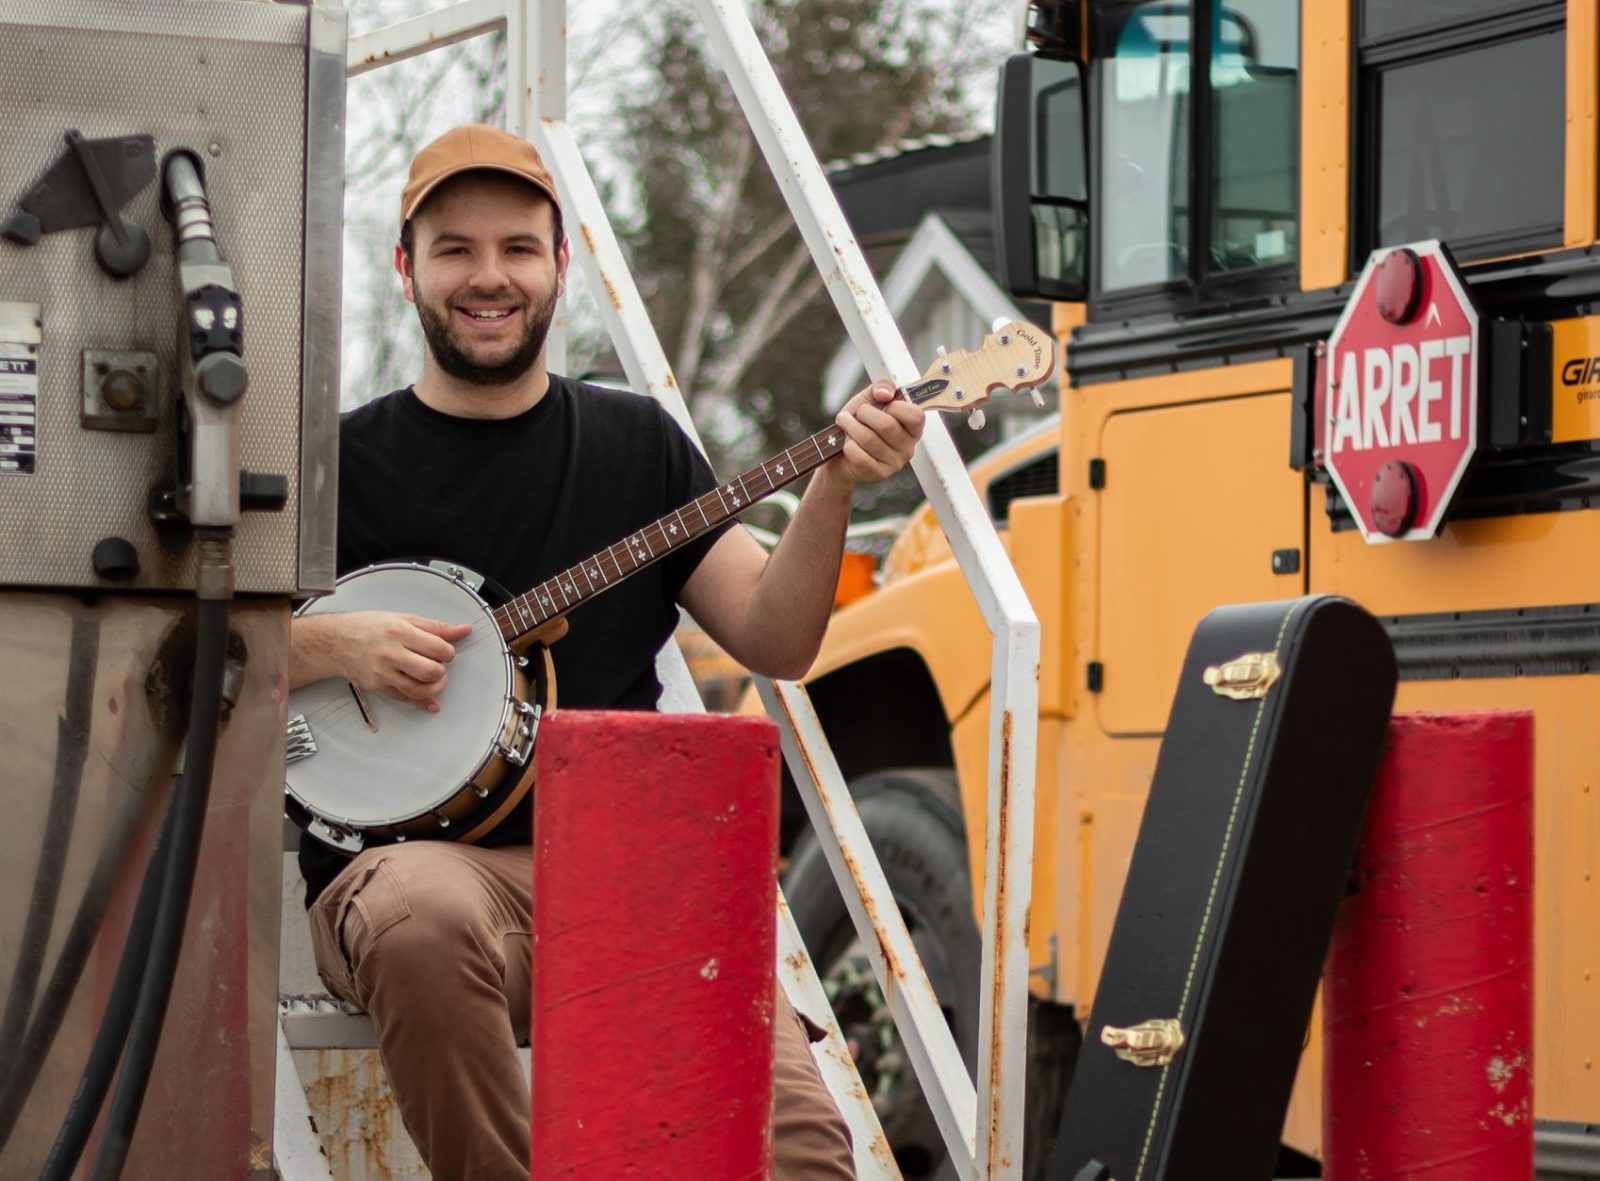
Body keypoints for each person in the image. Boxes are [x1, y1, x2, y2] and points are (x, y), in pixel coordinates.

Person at [288, 124, 924, 1180]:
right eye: (454, 248)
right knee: (419, 918)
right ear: (406, 267)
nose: (488, 277)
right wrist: (329, 640)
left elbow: (776, 633)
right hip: (413, 873)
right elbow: (193, 657)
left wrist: (836, 482)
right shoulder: (335, 466)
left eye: (517, 248)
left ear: (560, 264)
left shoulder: (638, 445)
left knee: (803, 1152)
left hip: (625, 867)